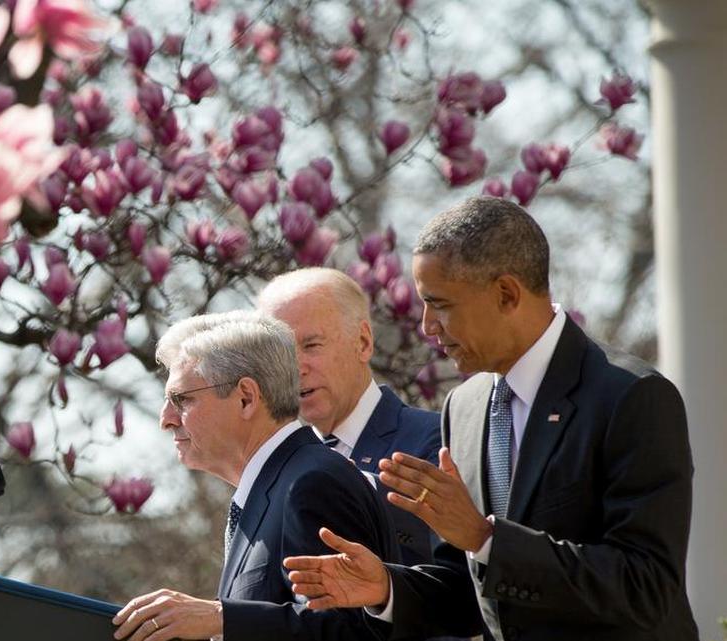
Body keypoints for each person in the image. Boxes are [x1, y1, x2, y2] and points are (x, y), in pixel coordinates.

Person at [283, 196, 698, 641]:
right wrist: (386, 588)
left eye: (439, 304)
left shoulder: (631, 397)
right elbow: (470, 590)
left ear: (506, 294)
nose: (426, 326)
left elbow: (646, 586)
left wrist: (486, 538)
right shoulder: (464, 408)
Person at [113, 311, 394, 641]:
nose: (166, 419)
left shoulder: (312, 483)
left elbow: (348, 631)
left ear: (246, 397)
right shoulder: (274, 487)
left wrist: (221, 617)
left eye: (182, 399)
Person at [259, 268, 441, 565]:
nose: (296, 368)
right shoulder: (277, 469)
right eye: (281, 354)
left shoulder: (433, 440)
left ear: (363, 342)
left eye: (311, 346)